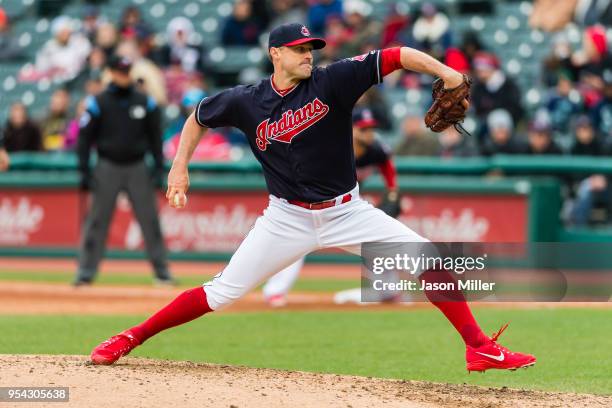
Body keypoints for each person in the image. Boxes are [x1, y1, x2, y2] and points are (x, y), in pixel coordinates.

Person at [90, 23, 536, 373]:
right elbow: (198, 116)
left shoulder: (333, 80)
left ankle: (480, 349)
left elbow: (397, 55)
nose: (309, 55)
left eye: (311, 49)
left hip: (348, 212)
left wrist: (447, 72)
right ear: (276, 54)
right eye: (300, 49)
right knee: (222, 293)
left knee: (430, 259)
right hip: (284, 219)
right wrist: (179, 166)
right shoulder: (246, 100)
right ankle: (131, 336)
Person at [262, 107, 401, 307]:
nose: (369, 134)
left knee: (376, 239)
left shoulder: (376, 150)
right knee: (293, 242)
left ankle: (388, 289)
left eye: (371, 129)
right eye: (363, 129)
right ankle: (275, 292)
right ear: (350, 128)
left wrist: (393, 193)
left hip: (348, 202)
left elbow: (388, 171)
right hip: (313, 198)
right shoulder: (334, 146)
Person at [75, 55, 173, 286]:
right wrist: (84, 170)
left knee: (150, 221)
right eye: (119, 71)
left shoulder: (145, 101)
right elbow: (84, 138)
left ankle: (162, 272)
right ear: (111, 72)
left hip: (137, 166)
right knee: (97, 222)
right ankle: (86, 272)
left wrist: (159, 168)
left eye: (126, 71)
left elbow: (156, 138)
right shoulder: (97, 102)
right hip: (107, 165)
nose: (123, 75)